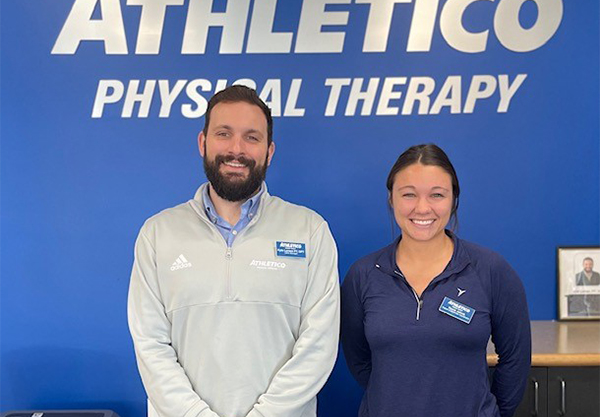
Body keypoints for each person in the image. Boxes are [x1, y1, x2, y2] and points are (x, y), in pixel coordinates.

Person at [128, 85, 339, 417]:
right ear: (203, 143)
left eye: (251, 137)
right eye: (223, 134)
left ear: (269, 151)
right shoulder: (158, 234)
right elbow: (150, 347)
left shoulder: (310, 231)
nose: (236, 149)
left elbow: (318, 347)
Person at [341, 144, 531, 417]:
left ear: (454, 199)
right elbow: (359, 360)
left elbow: (515, 358)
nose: (422, 208)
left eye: (437, 195)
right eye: (409, 194)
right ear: (391, 198)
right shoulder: (363, 275)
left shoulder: (491, 270)